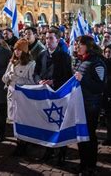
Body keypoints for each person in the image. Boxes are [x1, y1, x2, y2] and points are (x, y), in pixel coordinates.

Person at [34, 27, 73, 163]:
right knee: (46, 123)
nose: (48, 41)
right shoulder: (41, 55)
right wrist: (39, 80)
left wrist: (53, 82)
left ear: (58, 40)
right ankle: (48, 150)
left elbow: (68, 77)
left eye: (51, 38)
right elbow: (36, 72)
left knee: (59, 124)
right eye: (46, 38)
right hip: (45, 94)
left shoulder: (64, 56)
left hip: (59, 95)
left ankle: (62, 152)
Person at [73, 35, 107, 175]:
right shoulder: (80, 61)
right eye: (76, 44)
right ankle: (83, 163)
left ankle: (91, 166)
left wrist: (83, 80)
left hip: (90, 106)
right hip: (79, 103)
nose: (76, 47)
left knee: (89, 136)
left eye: (79, 44)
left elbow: (100, 87)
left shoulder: (97, 63)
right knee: (80, 136)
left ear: (88, 46)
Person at [2, 38, 36, 156]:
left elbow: (32, 82)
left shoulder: (31, 64)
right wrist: (8, 77)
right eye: (15, 49)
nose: (16, 52)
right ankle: (20, 143)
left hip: (23, 97)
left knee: (23, 122)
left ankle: (23, 145)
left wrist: (17, 79)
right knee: (15, 121)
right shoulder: (11, 62)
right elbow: (4, 78)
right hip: (12, 95)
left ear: (25, 51)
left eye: (19, 50)